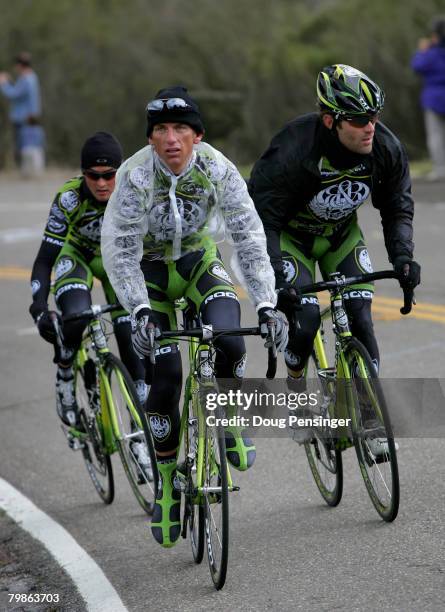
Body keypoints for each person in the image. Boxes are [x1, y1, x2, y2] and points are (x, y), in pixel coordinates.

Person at [101, 86, 288, 548]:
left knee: (231, 342)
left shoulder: (217, 169)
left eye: (180, 129)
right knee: (165, 377)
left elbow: (248, 237)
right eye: (160, 130)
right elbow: (120, 250)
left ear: (197, 135)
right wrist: (139, 309)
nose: (170, 139)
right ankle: (166, 478)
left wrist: (266, 303)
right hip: (151, 274)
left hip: (200, 262)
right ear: (150, 139)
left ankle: (225, 418)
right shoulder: (134, 177)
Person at [249, 64, 421, 449]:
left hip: (341, 236)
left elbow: (397, 207)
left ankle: (369, 415)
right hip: (291, 239)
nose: (370, 126)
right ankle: (296, 394)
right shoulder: (292, 150)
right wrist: (277, 279)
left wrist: (403, 257)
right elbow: (264, 223)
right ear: (330, 120)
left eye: (374, 116)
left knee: (361, 315)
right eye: (359, 119)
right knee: (306, 317)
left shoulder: (385, 149)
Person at [29, 132, 147, 435]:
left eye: (109, 175)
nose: (102, 183)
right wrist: (39, 308)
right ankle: (66, 372)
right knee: (76, 317)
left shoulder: (136, 194)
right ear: (83, 175)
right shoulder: (69, 198)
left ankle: (140, 431)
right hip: (77, 255)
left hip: (116, 261)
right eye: (93, 176)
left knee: (134, 348)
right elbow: (44, 261)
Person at [0, 52, 45, 177]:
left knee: (25, 145)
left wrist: (3, 83)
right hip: (30, 116)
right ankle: (32, 171)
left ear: (20, 65)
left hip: (23, 118)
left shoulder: (26, 79)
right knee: (32, 143)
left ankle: (27, 172)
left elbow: (13, 94)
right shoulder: (32, 77)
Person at [411, 16, 445, 181]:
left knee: (436, 136)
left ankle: (440, 169)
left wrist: (422, 50)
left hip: (433, 98)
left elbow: (417, 66)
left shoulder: (430, 53)